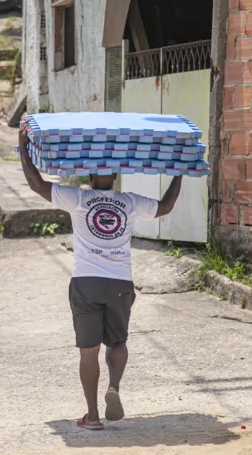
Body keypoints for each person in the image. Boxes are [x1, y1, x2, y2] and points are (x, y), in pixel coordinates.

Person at [18, 127, 183, 430]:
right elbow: (166, 206)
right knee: (117, 342)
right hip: (120, 283)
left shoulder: (79, 198)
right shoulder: (130, 202)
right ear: (116, 178)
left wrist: (22, 144)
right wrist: (180, 171)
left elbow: (36, 184)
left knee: (88, 350)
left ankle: (92, 416)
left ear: (90, 176)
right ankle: (114, 387)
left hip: (86, 283)